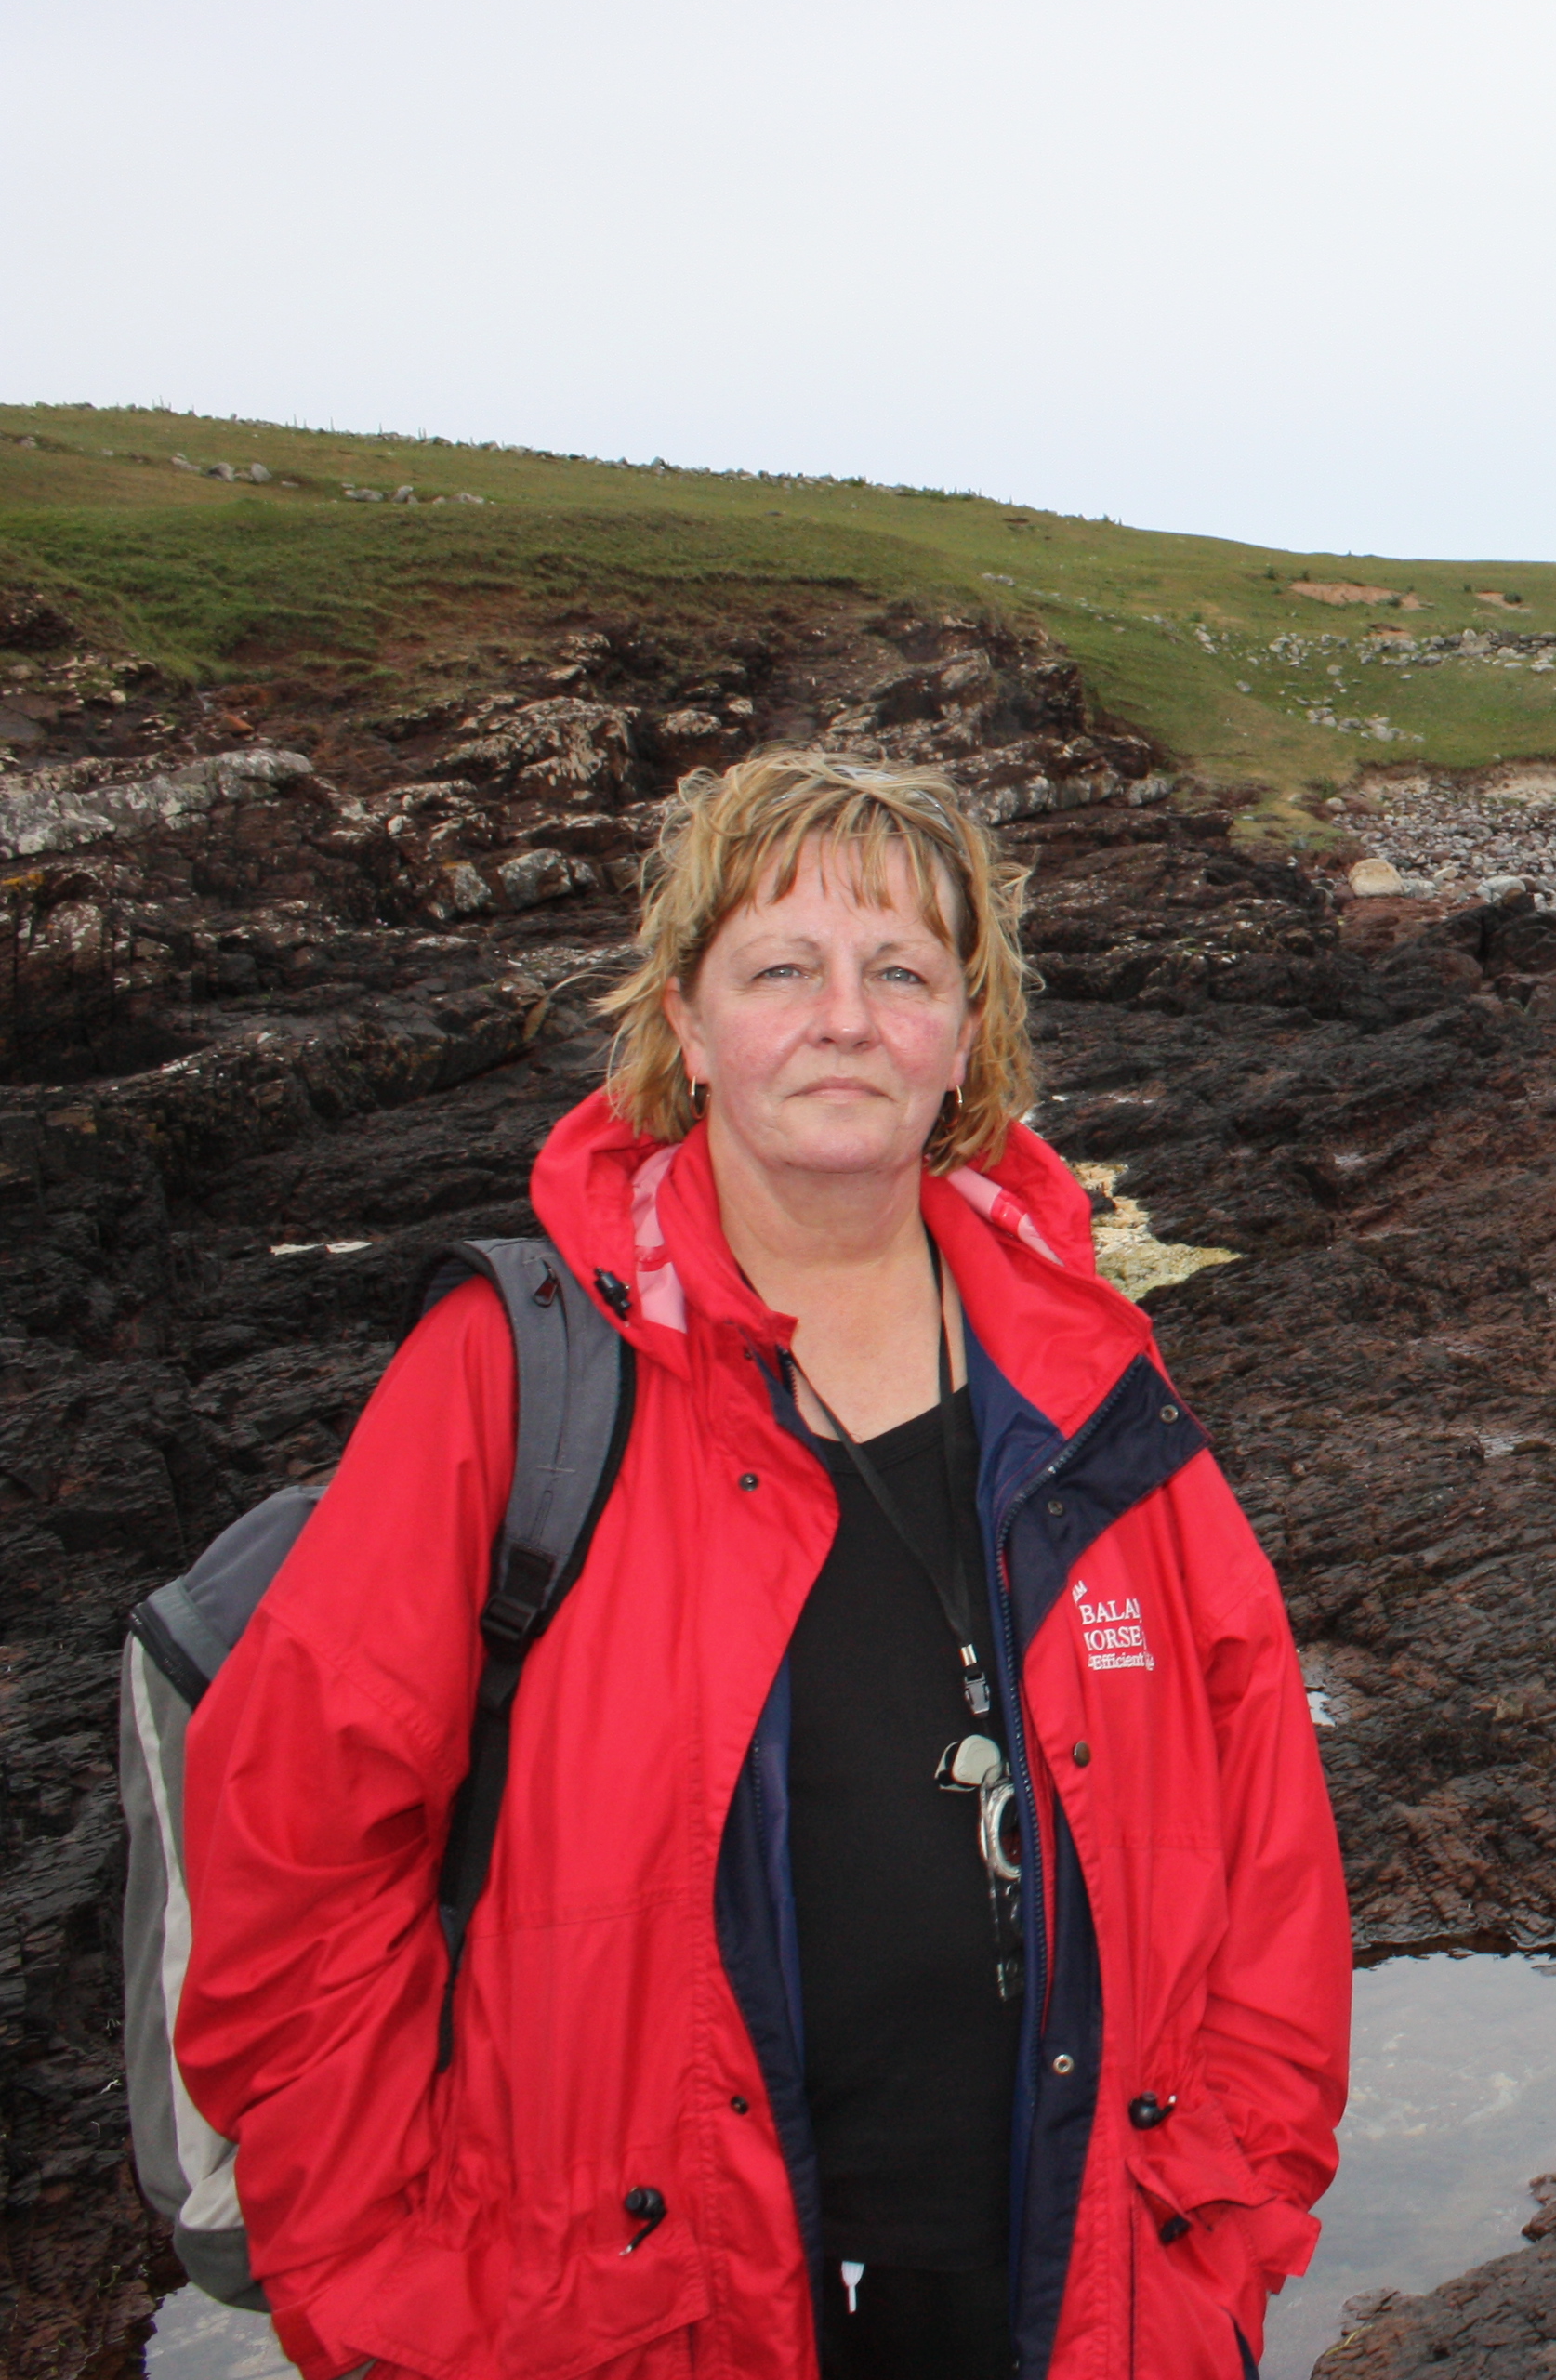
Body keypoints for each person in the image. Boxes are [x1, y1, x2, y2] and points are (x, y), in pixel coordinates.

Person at [176, 750, 1351, 2379]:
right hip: (629, 2319)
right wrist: (390, 2289)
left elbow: (1267, 1838)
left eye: (902, 972)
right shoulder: (515, 1376)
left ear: (967, 1037)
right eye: (782, 969)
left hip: (1083, 2295)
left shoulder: (1093, 1389)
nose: (846, 1018)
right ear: (687, 1024)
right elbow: (292, 1867)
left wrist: (1224, 2214)